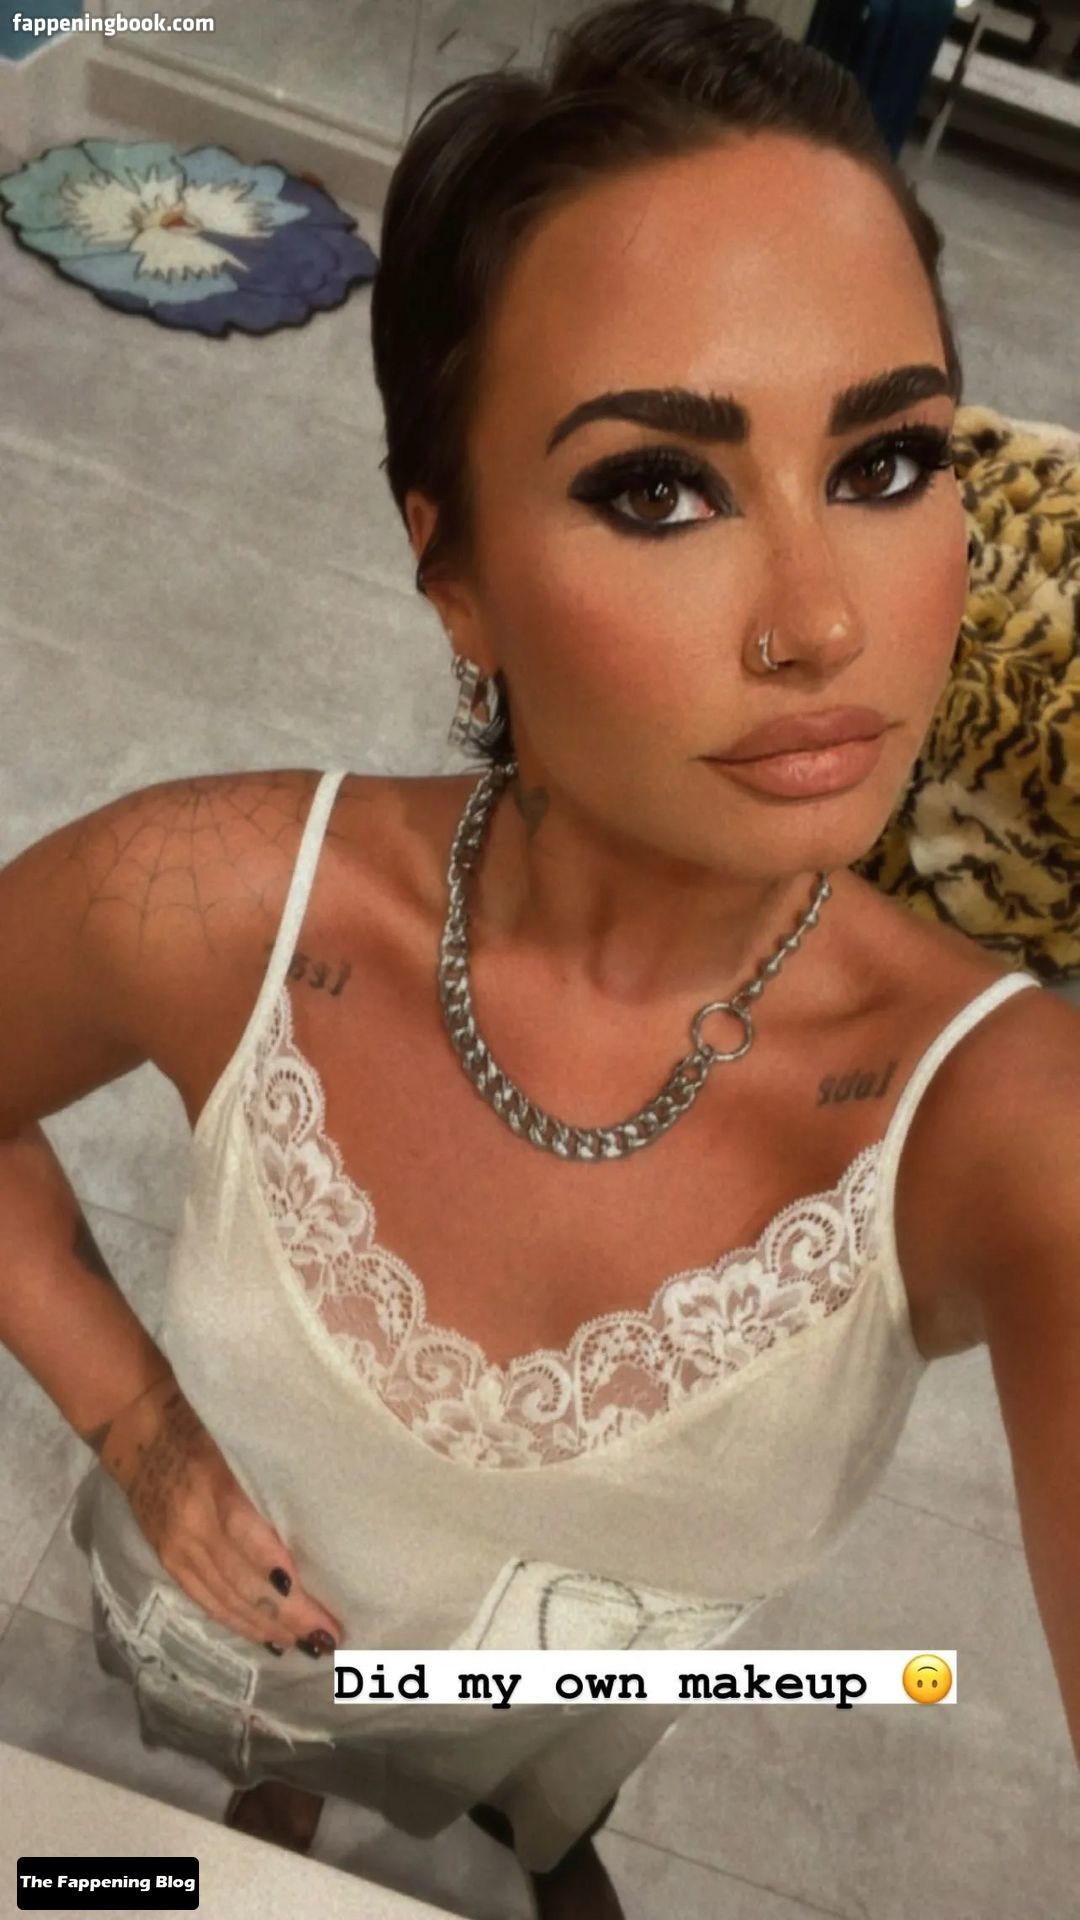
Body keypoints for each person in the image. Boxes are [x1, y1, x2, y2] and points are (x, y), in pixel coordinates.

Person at [2, 4, 1074, 1916]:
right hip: (252, 1640)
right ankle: (283, 1796)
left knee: (529, 1789)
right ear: (457, 572)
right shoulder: (217, 896)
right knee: (247, 1772)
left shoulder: (1003, 1124)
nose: (823, 625)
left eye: (888, 460)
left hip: (561, 1707)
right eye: (658, 486)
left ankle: (531, 1829)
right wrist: (143, 1427)